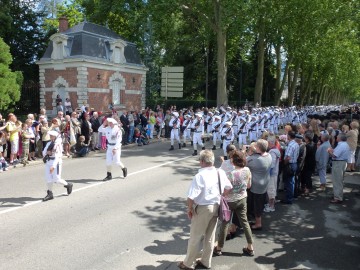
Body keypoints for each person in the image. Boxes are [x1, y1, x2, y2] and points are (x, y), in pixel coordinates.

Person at [178, 150, 232, 270]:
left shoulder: (200, 176)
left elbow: (191, 197)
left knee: (195, 237)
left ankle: (188, 263)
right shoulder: (220, 172)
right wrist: (221, 195)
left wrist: (190, 209)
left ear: (201, 162)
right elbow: (229, 187)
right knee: (210, 236)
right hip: (216, 205)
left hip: (203, 207)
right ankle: (206, 261)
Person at [215, 150, 255, 257]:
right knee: (245, 222)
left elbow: (227, 190)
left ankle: (219, 248)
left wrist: (222, 195)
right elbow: (249, 185)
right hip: (242, 199)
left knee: (225, 224)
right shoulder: (247, 170)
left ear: (234, 161)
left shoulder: (230, 174)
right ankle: (250, 246)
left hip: (229, 201)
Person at [246, 139, 272, 230]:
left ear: (258, 148)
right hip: (264, 182)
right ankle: (256, 219)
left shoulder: (254, 159)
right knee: (259, 202)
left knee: (257, 204)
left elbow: (243, 163)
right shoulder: (269, 155)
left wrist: (248, 151)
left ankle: (258, 223)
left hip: (257, 185)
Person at [42, 130, 73, 201]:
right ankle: (50, 193)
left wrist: (53, 166)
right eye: (50, 136)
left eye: (52, 136)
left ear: (55, 137)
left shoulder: (58, 144)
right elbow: (44, 152)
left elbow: (58, 156)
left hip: (56, 162)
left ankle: (68, 185)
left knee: (57, 179)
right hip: (48, 162)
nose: (51, 137)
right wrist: (47, 153)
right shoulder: (49, 143)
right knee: (48, 178)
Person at [328, 133, 350, 204]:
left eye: (337, 137)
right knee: (339, 180)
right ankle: (337, 195)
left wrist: (329, 151)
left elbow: (334, 155)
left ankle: (338, 197)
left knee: (337, 180)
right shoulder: (345, 144)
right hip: (342, 162)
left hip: (338, 163)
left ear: (340, 138)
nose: (336, 137)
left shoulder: (341, 145)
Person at [281, 131, 299, 204]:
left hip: (290, 164)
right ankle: (291, 196)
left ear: (289, 136)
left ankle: (289, 198)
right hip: (294, 163)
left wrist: (284, 163)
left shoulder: (291, 145)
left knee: (289, 182)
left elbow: (288, 157)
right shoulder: (296, 144)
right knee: (292, 181)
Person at [264, 135, 280, 212]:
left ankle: (271, 206)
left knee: (271, 190)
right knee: (272, 189)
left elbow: (272, 164)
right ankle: (270, 204)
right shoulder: (275, 150)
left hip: (272, 173)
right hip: (274, 173)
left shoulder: (272, 152)